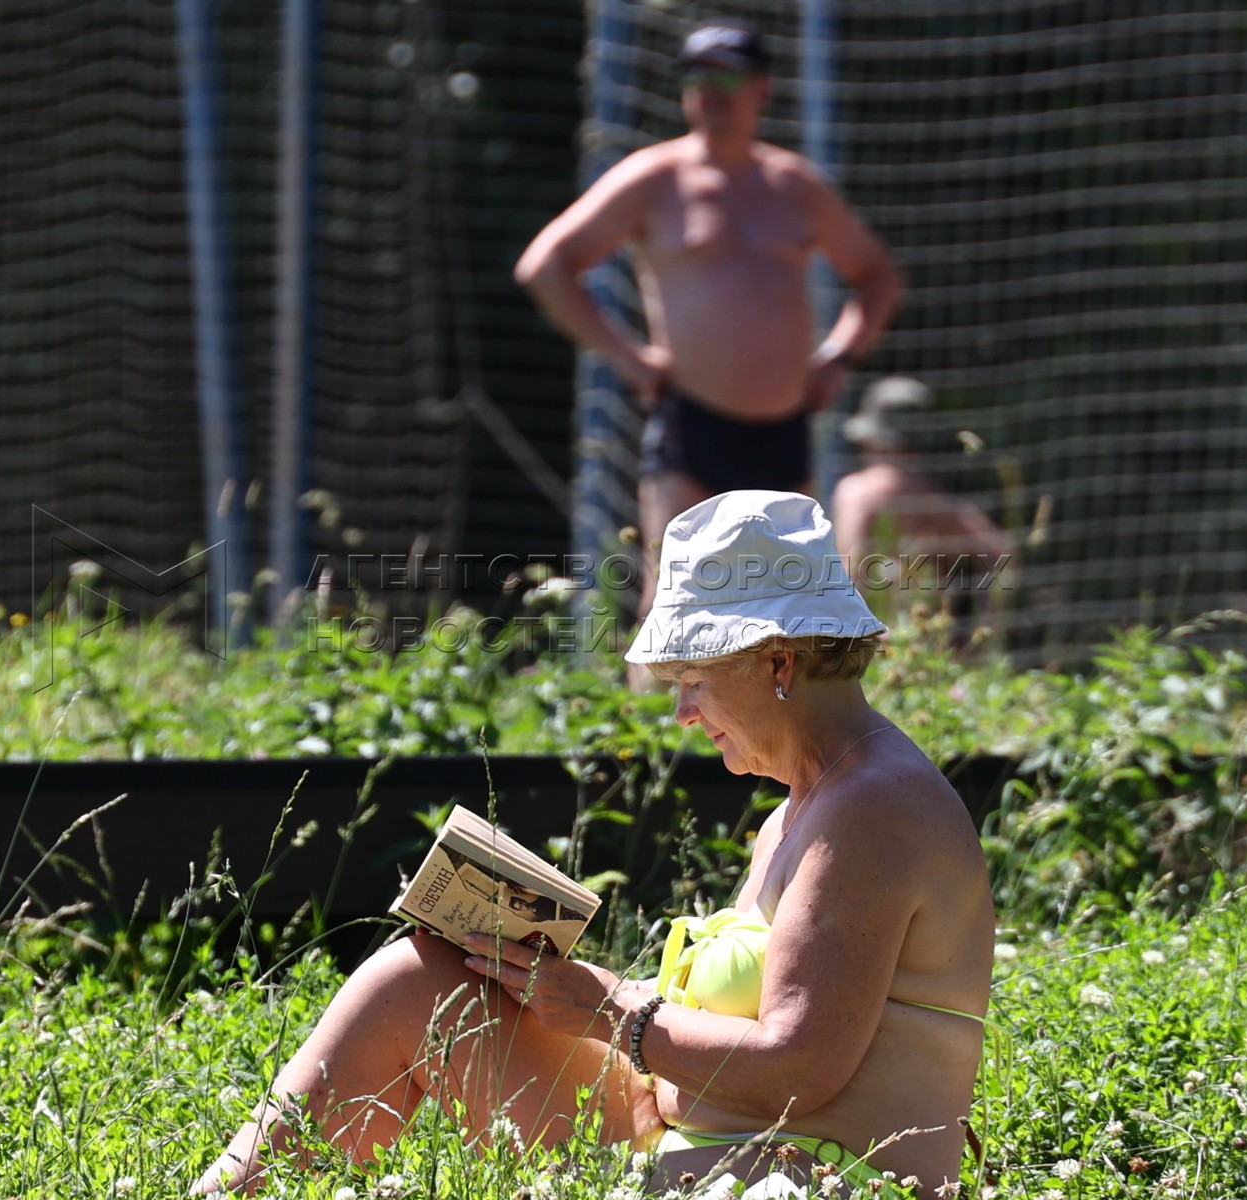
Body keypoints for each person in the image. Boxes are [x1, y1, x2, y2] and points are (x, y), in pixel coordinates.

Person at [191, 490, 993, 1197]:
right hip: (690, 1140)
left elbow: (795, 1066)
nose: (682, 712)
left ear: (778, 660)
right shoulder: (805, 804)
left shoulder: (871, 810)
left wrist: (611, 1010)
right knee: (417, 979)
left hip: (803, 1178)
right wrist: (554, 983)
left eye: (693, 680)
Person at [514, 19, 902, 683]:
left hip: (785, 433)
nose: (712, 91)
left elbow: (876, 276)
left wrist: (839, 356)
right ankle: (646, 741)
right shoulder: (655, 177)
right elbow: (545, 265)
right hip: (693, 427)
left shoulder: (793, 185)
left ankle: (776, 747)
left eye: (728, 76)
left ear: (761, 88)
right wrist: (629, 358)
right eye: (697, 77)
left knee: (789, 615)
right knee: (674, 605)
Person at [831, 377, 1016, 624]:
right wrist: (987, 622)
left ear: (872, 438)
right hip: (927, 631)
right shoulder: (935, 499)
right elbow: (1001, 553)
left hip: (872, 630)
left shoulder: (856, 492)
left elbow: (847, 569)